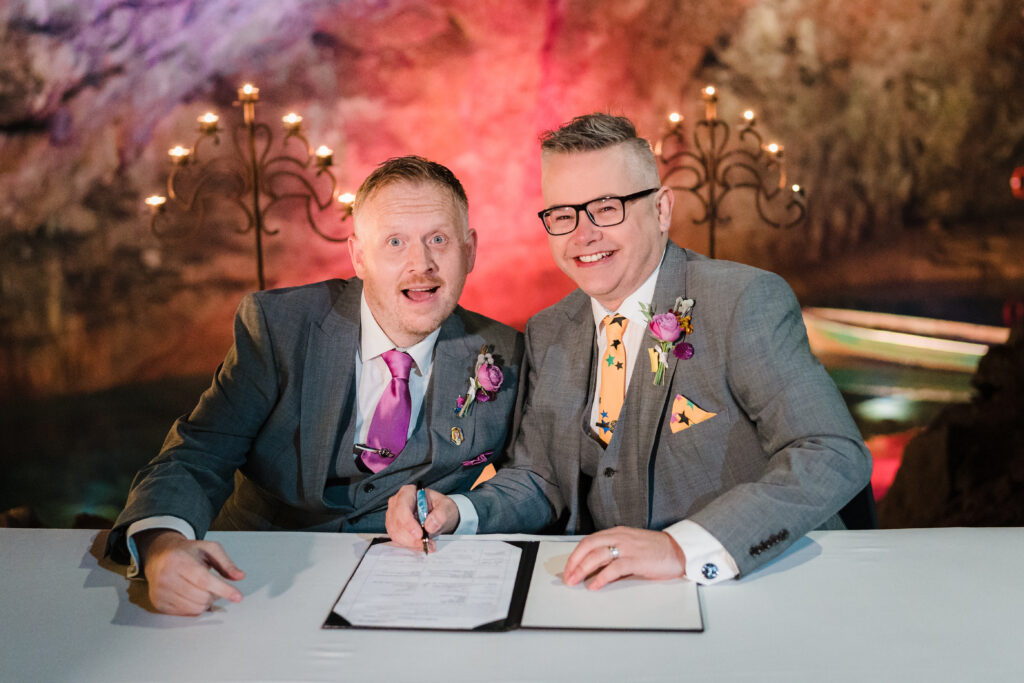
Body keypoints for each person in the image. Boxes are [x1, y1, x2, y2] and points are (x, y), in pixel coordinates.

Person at [386, 114, 871, 588]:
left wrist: (682, 549)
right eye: (563, 215)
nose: (583, 234)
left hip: (750, 590)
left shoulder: (742, 302)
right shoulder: (549, 329)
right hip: (604, 601)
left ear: (661, 209)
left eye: (607, 207)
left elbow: (830, 451)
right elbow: (538, 479)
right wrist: (458, 511)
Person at [106, 156, 524, 615]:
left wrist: (460, 509)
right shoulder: (279, 328)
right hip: (254, 582)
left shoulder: (508, 352)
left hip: (411, 590)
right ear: (359, 256)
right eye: (395, 241)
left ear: (470, 250)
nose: (420, 264)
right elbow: (197, 454)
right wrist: (163, 545)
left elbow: (531, 482)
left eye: (438, 240)